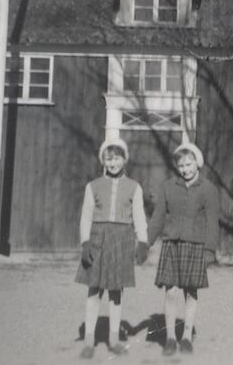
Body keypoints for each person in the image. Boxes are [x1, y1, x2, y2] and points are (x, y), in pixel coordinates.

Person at [75, 138, 150, 358]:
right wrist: (85, 242)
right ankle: (89, 341)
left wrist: (143, 242)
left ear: (124, 160)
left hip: (122, 240)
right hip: (97, 240)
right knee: (94, 290)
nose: (113, 163)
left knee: (116, 293)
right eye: (109, 159)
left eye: (117, 158)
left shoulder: (134, 187)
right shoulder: (93, 186)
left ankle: (114, 339)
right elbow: (86, 217)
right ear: (103, 161)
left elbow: (138, 216)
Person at [148, 142, 219, 356]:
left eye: (189, 164)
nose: (186, 169)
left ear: (197, 164)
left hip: (195, 246)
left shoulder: (208, 189)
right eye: (182, 166)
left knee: (191, 291)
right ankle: (170, 337)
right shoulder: (168, 187)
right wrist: (146, 242)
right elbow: (158, 217)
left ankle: (187, 336)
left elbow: (212, 221)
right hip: (172, 245)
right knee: (171, 291)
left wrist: (209, 250)